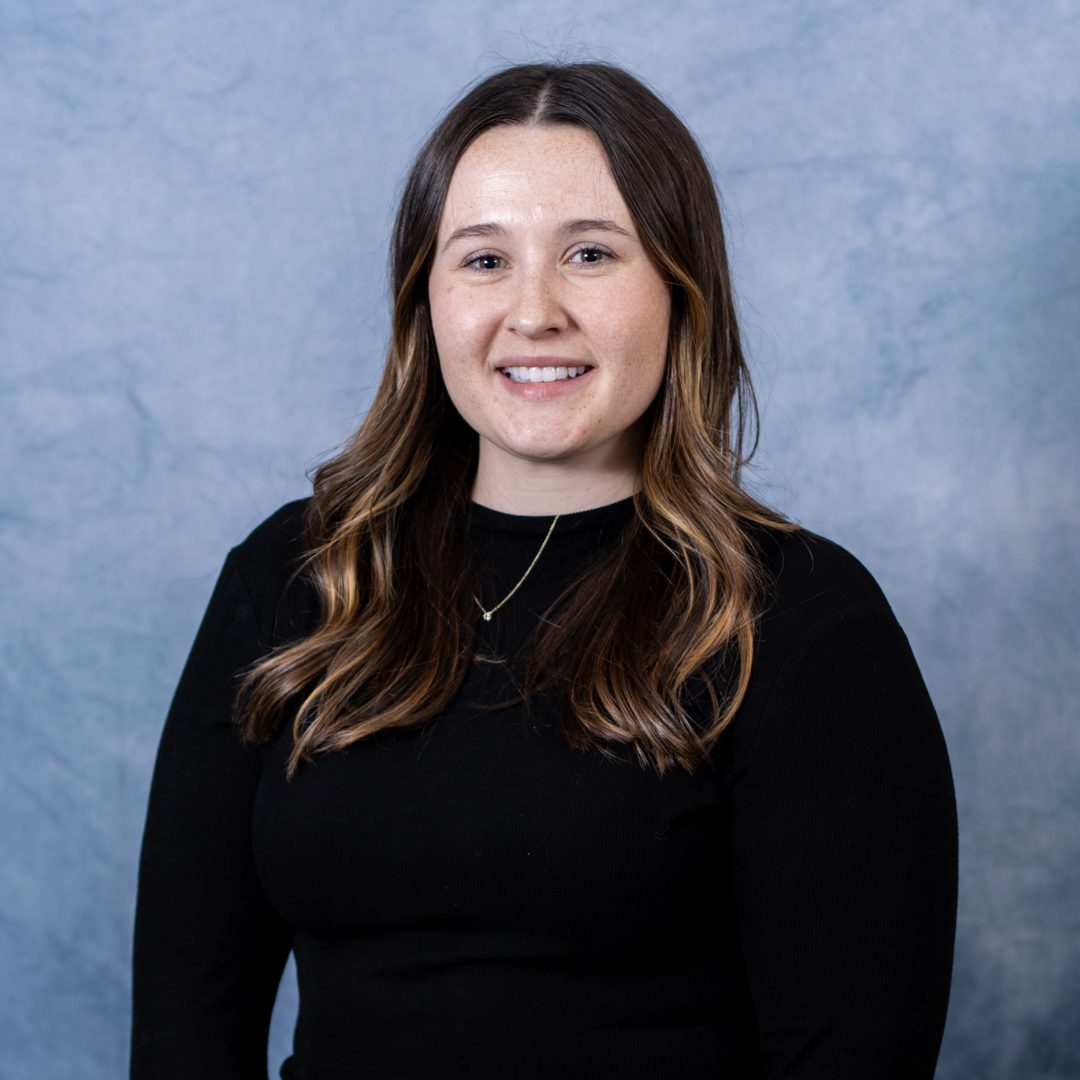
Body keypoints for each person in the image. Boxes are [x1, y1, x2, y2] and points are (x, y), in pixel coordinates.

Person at [131, 62, 957, 1079]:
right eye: (484, 260)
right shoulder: (298, 578)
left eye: (591, 254)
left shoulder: (799, 619)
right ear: (424, 301)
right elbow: (184, 1037)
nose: (533, 312)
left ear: (681, 288)